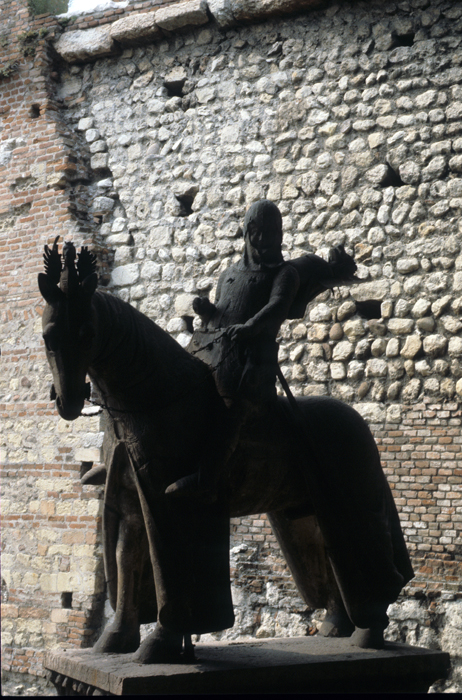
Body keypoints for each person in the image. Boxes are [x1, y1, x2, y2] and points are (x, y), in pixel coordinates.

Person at [165, 200, 358, 502]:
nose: (266, 239)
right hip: (214, 350)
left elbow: (277, 307)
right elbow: (223, 314)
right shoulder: (229, 273)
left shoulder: (285, 274)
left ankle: (207, 475)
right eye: (259, 232)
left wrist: (252, 327)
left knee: (232, 403)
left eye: (272, 232)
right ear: (247, 232)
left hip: (253, 361)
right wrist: (207, 311)